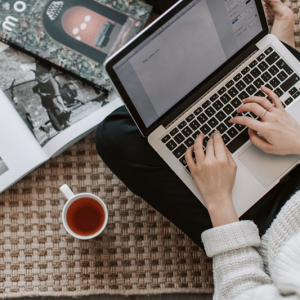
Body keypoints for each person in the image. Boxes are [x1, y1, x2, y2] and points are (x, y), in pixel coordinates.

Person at [95, 0, 300, 298]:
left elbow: (240, 290)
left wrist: (218, 202)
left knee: (116, 135)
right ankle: (264, 53)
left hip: (261, 225)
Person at [32, 62, 71, 132]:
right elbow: (36, 88)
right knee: (51, 112)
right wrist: (41, 93)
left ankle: (64, 123)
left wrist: (63, 106)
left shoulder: (53, 84)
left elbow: (58, 96)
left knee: (58, 109)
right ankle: (60, 126)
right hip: (46, 98)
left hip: (53, 96)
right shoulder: (38, 74)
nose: (41, 79)